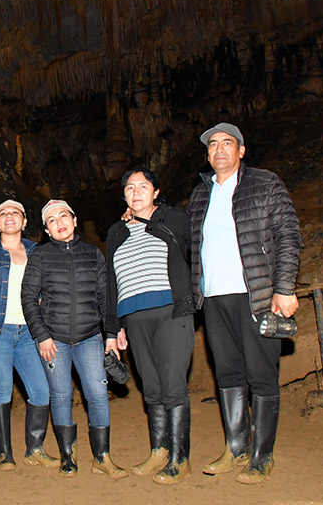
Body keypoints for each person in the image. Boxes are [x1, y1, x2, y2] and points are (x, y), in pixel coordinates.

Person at [188, 122, 301, 484]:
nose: (219, 149)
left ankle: (261, 455)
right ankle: (236, 447)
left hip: (257, 294)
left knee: (262, 374)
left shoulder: (265, 183)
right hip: (214, 298)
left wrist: (284, 287)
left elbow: (287, 233)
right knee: (228, 374)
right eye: (213, 145)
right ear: (207, 154)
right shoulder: (200, 195)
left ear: (241, 150)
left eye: (227, 143)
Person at [21, 199, 127, 479]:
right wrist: (41, 336)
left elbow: (105, 297)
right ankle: (68, 456)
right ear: (46, 229)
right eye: (52, 220)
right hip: (53, 340)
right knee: (61, 395)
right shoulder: (40, 256)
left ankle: (102, 457)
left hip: (89, 337)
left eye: (63, 216)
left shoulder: (93, 253)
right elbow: (28, 298)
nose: (59, 222)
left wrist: (111, 335)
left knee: (97, 394)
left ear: (75, 219)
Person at [106, 166, 194, 484]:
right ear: (124, 195)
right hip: (134, 317)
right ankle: (159, 450)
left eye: (143, 186)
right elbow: (112, 284)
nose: (136, 192)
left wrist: (150, 217)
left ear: (155, 192)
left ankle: (179, 458)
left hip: (172, 311)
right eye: (130, 188)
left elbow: (191, 246)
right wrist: (113, 327)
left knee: (172, 386)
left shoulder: (172, 219)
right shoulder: (116, 231)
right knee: (152, 388)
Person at [0, 199, 58, 471]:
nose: (9, 217)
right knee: (1, 392)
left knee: (41, 391)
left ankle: (35, 449)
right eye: (3, 213)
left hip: (29, 334)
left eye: (15, 213)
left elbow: (48, 290)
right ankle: (4, 453)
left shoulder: (37, 252)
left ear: (24, 221)